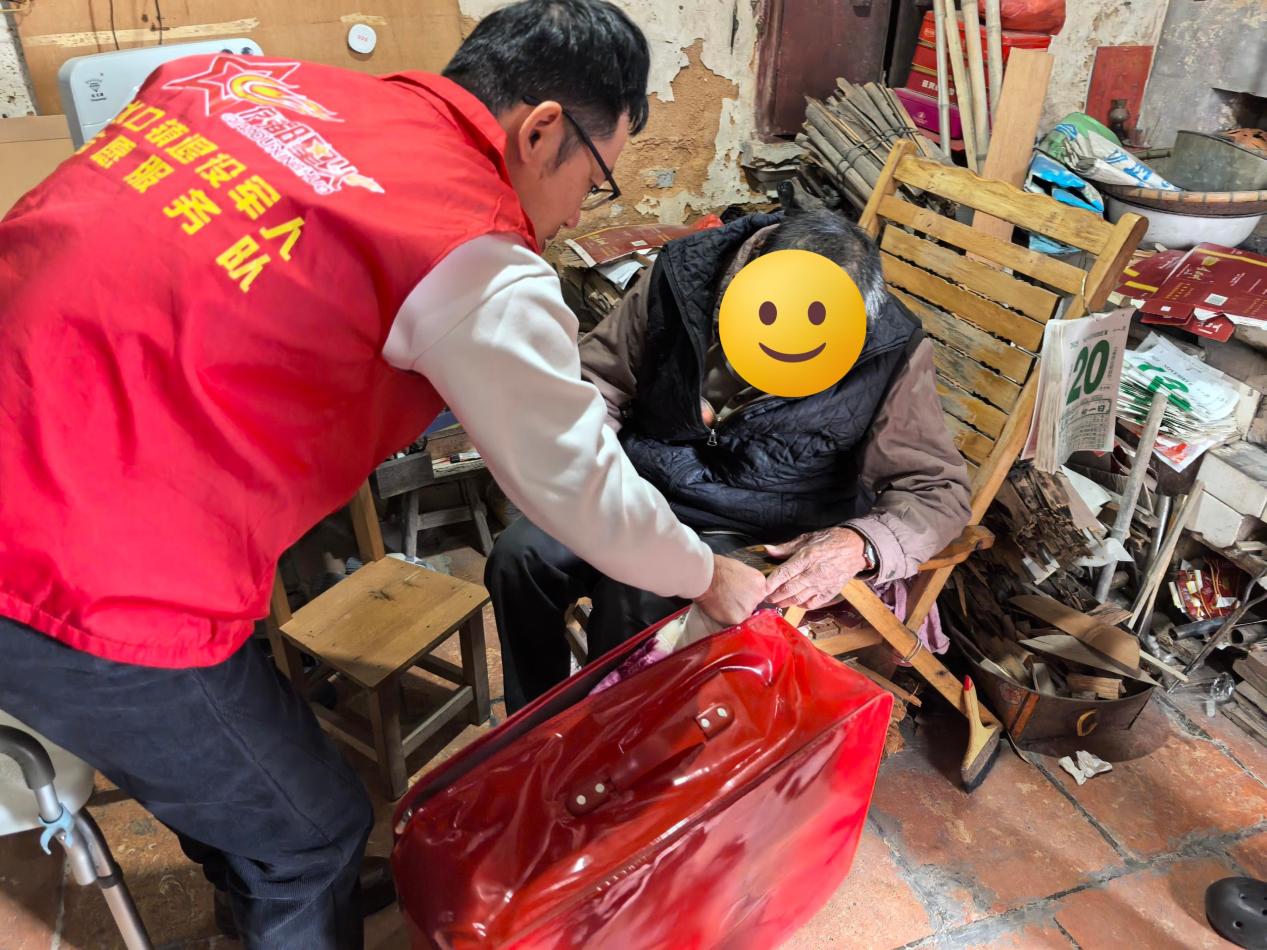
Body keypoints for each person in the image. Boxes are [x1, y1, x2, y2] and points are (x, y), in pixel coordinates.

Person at [0, 2, 766, 947]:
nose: (575, 214)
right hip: (70, 568)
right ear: (540, 131)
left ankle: (252, 881)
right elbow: (573, 483)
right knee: (311, 833)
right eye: (594, 179)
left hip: (60, 462)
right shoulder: (468, 251)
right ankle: (283, 878)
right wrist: (706, 572)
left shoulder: (242, 84)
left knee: (252, 781)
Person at [488, 207, 974, 711]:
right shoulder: (681, 278)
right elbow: (597, 383)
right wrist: (601, 481)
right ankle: (535, 725)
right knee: (521, 556)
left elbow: (936, 488)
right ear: (747, 275)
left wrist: (859, 543)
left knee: (632, 599)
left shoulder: (887, 346)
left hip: (756, 523)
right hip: (643, 483)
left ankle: (611, 743)